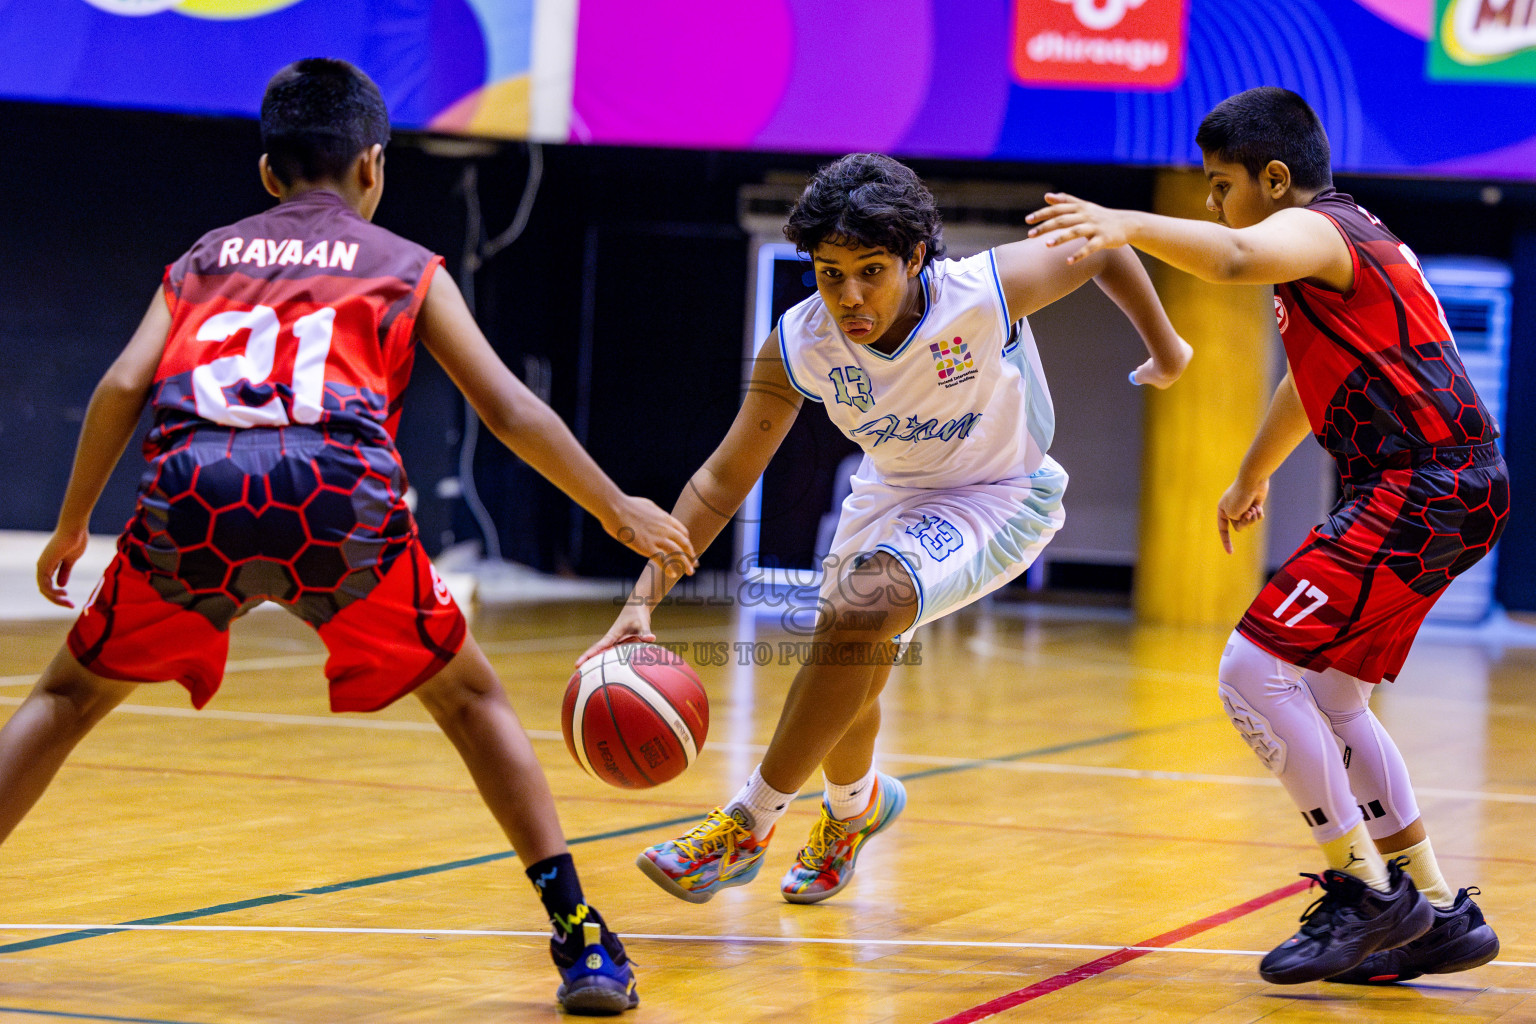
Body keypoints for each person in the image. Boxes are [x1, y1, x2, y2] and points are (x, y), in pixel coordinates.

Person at [10, 58, 696, 1015]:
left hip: (193, 494)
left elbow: (123, 386)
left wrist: (73, 523)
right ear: (374, 166)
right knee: (469, 702)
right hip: (337, 500)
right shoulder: (406, 264)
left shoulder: (202, 258)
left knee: (70, 694)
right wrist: (616, 507)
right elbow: (503, 407)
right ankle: (581, 937)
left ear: (266, 173)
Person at [579, 153, 1190, 907]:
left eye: (870, 269)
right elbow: (721, 479)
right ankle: (854, 811)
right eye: (830, 273)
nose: (850, 295)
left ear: (916, 257)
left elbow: (1104, 244)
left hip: (1000, 494)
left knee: (858, 612)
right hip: (890, 497)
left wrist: (1167, 348)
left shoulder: (983, 292)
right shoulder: (800, 341)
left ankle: (748, 823)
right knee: (850, 669)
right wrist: (643, 598)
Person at [1027, 86, 1507, 986]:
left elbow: (1237, 252)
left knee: (1251, 669)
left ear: (1274, 178)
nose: (1212, 206)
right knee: (1331, 696)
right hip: (1448, 486)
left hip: (1424, 484)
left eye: (1218, 186)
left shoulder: (1321, 231)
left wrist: (1122, 221)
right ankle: (1434, 909)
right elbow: (1308, 382)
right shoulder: (1339, 253)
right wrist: (1253, 472)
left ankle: (1364, 892)